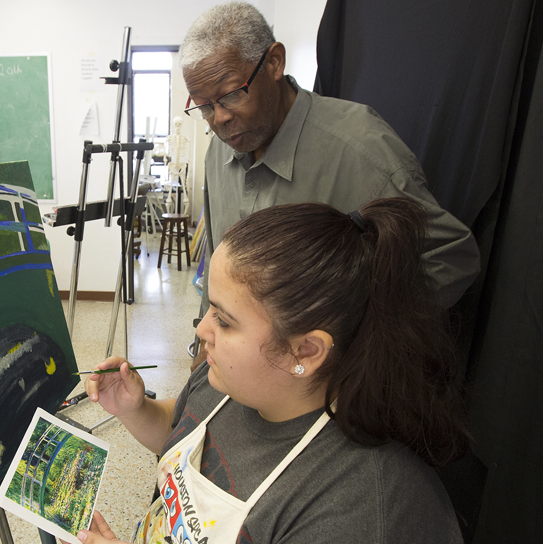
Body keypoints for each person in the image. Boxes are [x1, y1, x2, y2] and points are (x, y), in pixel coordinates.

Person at [63, 198, 468, 544]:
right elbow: (182, 425)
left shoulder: (357, 513)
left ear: (305, 351)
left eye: (223, 319)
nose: (202, 329)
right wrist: (137, 409)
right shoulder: (223, 378)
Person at [180, 2, 480, 357]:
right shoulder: (219, 152)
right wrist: (206, 344)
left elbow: (451, 259)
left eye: (231, 94)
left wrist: (354, 338)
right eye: (203, 106)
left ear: (274, 62)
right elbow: (218, 264)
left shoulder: (359, 149)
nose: (219, 119)